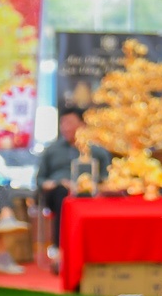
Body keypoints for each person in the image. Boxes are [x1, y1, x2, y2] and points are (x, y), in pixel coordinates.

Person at [36, 106, 110, 263]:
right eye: (62, 123)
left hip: (89, 195)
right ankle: (60, 249)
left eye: (69, 122)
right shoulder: (52, 150)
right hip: (57, 193)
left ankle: (96, 249)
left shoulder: (98, 151)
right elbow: (39, 180)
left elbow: (106, 179)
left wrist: (87, 185)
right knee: (62, 192)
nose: (65, 127)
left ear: (82, 125)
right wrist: (53, 183)